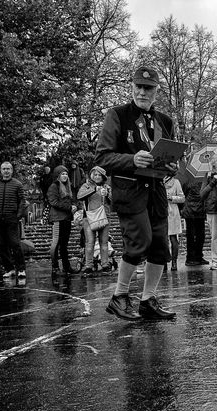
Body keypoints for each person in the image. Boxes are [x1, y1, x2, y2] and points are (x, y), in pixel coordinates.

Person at [95, 66, 177, 321]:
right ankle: (119, 297)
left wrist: (172, 167)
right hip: (129, 191)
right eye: (138, 87)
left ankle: (147, 299)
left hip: (156, 190)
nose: (143, 92)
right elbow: (103, 157)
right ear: (131, 87)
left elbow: (168, 158)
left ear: (156, 91)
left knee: (161, 246)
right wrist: (132, 160)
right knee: (138, 242)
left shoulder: (165, 121)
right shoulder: (117, 115)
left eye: (148, 88)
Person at [0, 162, 27, 279]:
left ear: (12, 170)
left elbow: (22, 202)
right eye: (4, 169)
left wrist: (18, 216)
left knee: (15, 244)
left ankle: (21, 269)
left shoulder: (17, 184)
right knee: (1, 244)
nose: (6, 171)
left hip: (11, 219)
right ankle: (9, 268)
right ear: (0, 171)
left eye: (8, 169)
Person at [77, 166, 112, 274]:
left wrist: (107, 195)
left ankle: (105, 264)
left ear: (103, 176)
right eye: (95, 174)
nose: (97, 177)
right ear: (91, 175)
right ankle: (89, 266)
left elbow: (112, 201)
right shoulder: (86, 186)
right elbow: (79, 196)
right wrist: (93, 190)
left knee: (104, 242)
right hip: (89, 217)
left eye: (99, 175)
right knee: (90, 242)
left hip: (104, 217)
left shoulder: (107, 187)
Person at [47, 165, 78, 275]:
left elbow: (72, 200)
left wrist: (74, 206)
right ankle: (55, 266)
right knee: (56, 243)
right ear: (58, 176)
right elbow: (53, 202)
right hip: (57, 218)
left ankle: (66, 266)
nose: (65, 176)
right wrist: (69, 207)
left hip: (66, 218)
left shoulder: (68, 186)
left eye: (66, 174)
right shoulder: (54, 186)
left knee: (64, 244)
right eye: (62, 174)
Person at [181, 178, 208, 266]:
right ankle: (192, 257)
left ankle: (196, 257)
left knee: (197, 235)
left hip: (195, 210)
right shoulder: (202, 181)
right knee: (194, 235)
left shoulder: (190, 180)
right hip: (192, 211)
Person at [164, 164, 185, 271]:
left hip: (172, 212)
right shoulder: (158, 181)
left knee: (173, 239)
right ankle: (163, 263)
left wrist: (171, 197)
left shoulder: (176, 182)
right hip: (161, 212)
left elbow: (182, 198)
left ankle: (174, 262)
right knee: (162, 239)